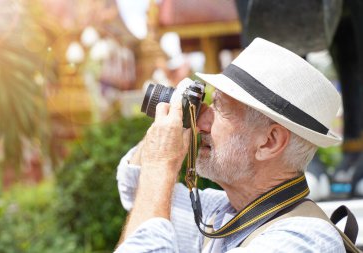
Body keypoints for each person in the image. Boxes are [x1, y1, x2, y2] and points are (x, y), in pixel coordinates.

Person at [115, 38, 345, 252]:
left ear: (269, 141)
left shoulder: (301, 241)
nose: (201, 122)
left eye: (219, 107)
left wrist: (161, 162)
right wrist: (177, 116)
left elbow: (151, 188)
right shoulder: (226, 213)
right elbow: (136, 188)